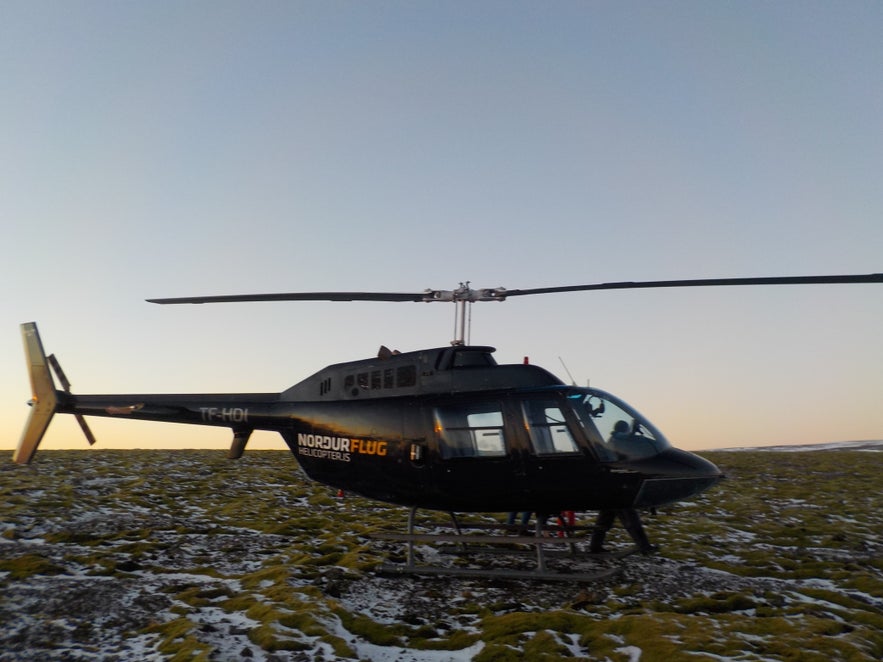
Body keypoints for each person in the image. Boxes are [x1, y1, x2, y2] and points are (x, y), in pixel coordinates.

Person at [590, 508, 658, 554]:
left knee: (605, 518)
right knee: (630, 519)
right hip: (621, 494)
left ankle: (595, 546)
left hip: (611, 493)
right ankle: (644, 546)